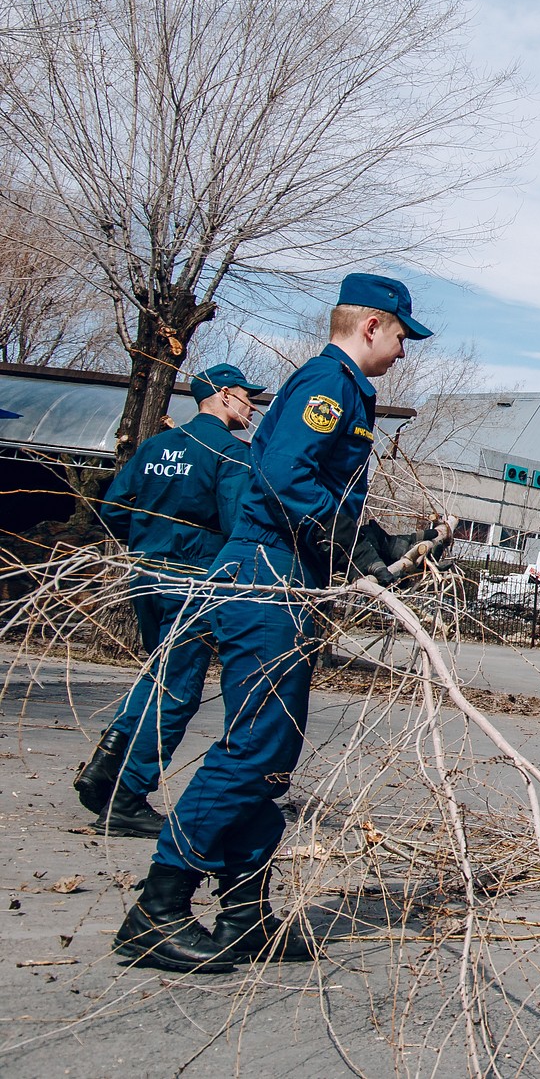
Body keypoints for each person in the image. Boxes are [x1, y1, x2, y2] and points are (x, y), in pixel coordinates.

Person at [112, 273, 438, 974]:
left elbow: (314, 486)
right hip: (265, 577)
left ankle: (244, 912)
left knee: (274, 753)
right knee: (255, 747)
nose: (405, 352)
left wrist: (381, 546)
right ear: (373, 326)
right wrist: (351, 546)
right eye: (403, 336)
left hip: (283, 575)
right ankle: (158, 905)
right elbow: (286, 476)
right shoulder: (330, 385)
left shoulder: (344, 388)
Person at [74, 363, 265, 838]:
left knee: (158, 674)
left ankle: (106, 762)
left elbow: (115, 508)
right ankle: (127, 796)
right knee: (177, 690)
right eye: (246, 396)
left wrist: (147, 543)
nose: (252, 406)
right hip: (193, 582)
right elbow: (237, 525)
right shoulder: (228, 452)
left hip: (145, 576)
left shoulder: (155, 446)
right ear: (222, 395)